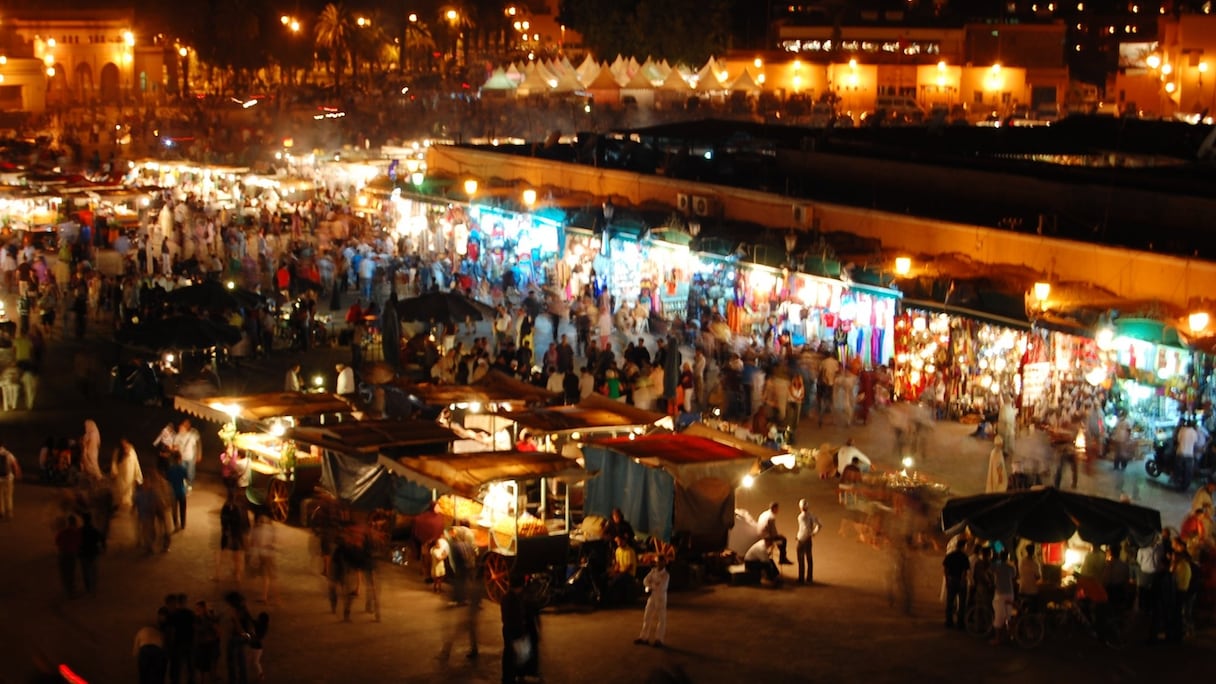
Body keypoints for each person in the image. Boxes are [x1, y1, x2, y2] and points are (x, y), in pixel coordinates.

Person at [500, 574, 540, 683]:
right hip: (514, 631)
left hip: (510, 630)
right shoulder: (515, 599)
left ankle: (512, 676)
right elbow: (515, 617)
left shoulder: (507, 597)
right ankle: (512, 677)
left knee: (511, 655)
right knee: (513, 655)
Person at [636, 555, 671, 647]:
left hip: (661, 598)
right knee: (647, 616)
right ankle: (644, 637)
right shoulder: (653, 571)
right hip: (652, 597)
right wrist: (652, 585)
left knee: (661, 618)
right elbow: (645, 580)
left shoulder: (666, 575)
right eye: (657, 561)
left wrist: (650, 586)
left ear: (664, 563)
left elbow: (661, 587)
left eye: (660, 561)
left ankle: (659, 639)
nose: (658, 563)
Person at [249, 512, 280, 605]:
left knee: (265, 575)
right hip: (269, 554)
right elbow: (274, 541)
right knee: (269, 575)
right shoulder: (271, 529)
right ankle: (273, 595)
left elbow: (252, 542)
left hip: (261, 554)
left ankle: (265, 595)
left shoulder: (256, 530)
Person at [990, 550, 1017, 645]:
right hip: (1010, 593)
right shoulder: (1011, 567)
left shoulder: (996, 565)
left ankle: (997, 639)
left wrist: (998, 560)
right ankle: (1008, 636)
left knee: (999, 616)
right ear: (1008, 557)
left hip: (1000, 593)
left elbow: (991, 568)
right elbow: (1014, 576)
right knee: (1008, 615)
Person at [943, 540, 971, 629]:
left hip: (951, 580)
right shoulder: (964, 557)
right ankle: (960, 623)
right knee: (962, 603)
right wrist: (962, 581)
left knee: (950, 602)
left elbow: (945, 570)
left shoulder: (950, 556)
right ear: (963, 546)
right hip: (960, 581)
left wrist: (947, 581)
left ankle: (949, 621)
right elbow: (964, 571)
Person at [133, 616, 168, 684]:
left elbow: (136, 649)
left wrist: (137, 655)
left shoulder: (141, 631)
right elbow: (164, 647)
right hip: (157, 650)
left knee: (144, 675)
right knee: (158, 674)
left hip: (144, 649)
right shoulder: (158, 632)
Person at [112, 437, 144, 509]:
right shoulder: (117, 452)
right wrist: (114, 472)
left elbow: (136, 464)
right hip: (120, 478)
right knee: (120, 495)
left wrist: (138, 477)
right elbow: (114, 463)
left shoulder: (132, 452)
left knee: (129, 496)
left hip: (130, 479)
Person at [55, 514, 82, 598]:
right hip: (72, 555)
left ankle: (67, 590)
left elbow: (57, 541)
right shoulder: (77, 532)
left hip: (63, 554)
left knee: (64, 573)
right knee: (71, 573)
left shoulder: (62, 532)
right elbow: (79, 542)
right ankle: (71, 591)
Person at [795, 498, 821, 584]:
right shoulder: (811, 515)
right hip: (808, 539)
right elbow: (819, 525)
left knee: (801, 559)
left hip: (801, 539)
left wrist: (802, 536)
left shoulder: (800, 516)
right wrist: (813, 533)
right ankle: (809, 578)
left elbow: (804, 528)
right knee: (809, 558)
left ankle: (801, 578)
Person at [607, 535, 639, 604]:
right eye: (617, 541)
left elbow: (629, 567)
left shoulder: (630, 551)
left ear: (624, 541)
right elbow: (617, 564)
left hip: (629, 574)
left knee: (615, 580)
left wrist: (618, 573)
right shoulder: (618, 550)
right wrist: (613, 571)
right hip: (621, 572)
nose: (618, 543)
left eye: (620, 541)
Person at [78, 512, 103, 596]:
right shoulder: (94, 530)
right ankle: (94, 588)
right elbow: (101, 538)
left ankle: (88, 588)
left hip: (83, 553)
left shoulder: (80, 531)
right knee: (93, 571)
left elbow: (77, 542)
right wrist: (102, 548)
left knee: (85, 571)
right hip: (93, 553)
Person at [166, 452, 189, 531]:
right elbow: (186, 477)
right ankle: (183, 524)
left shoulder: (170, 469)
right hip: (181, 491)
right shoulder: (182, 468)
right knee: (183, 508)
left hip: (173, 492)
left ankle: (176, 524)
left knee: (174, 510)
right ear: (180, 459)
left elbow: (167, 479)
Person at [176, 419, 201, 487]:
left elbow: (197, 445)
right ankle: (184, 485)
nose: (180, 429)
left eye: (182, 427)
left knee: (190, 471)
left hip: (191, 457)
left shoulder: (192, 434)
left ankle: (190, 484)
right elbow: (175, 445)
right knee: (183, 471)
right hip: (182, 457)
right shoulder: (178, 436)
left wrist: (198, 455)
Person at [0, 441, 21, 520]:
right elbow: (15, 465)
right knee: (8, 495)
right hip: (8, 478)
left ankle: (1, 511)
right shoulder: (8, 454)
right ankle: (9, 512)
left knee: (0, 495)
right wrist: (18, 473)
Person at [1018, 543, 1042, 607]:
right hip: (1032, 592)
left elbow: (1020, 573)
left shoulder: (1022, 561)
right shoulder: (1034, 563)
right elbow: (1038, 577)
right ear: (1033, 551)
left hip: (1022, 590)